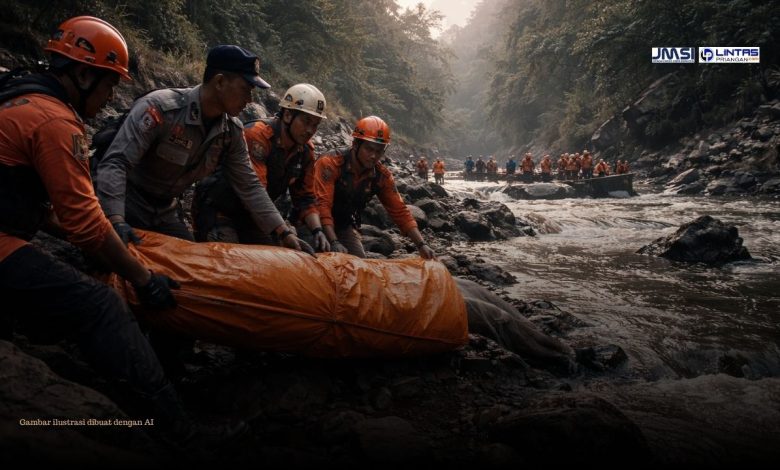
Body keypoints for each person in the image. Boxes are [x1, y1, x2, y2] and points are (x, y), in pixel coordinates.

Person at [0, 16, 242, 443]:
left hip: (14, 225)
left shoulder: (21, 96)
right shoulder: (56, 122)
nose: (113, 94)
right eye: (110, 84)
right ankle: (175, 427)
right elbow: (87, 221)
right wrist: (142, 277)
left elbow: (29, 204)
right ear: (82, 73)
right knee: (101, 304)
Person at [95, 44, 307, 252]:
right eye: (245, 89)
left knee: (191, 264)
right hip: (127, 200)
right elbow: (116, 163)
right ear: (220, 82)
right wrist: (115, 219)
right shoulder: (161, 108)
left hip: (165, 211)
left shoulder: (231, 132)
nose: (250, 100)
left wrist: (283, 232)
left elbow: (249, 185)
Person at [191, 83, 329, 251]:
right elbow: (255, 191)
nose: (310, 130)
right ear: (287, 115)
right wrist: (283, 230)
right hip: (221, 209)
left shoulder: (305, 152)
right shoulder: (258, 136)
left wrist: (317, 231)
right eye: (306, 121)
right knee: (229, 260)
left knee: (279, 259)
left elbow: (305, 197)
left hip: (254, 216)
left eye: (315, 125)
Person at [314, 116, 434, 259]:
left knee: (359, 263)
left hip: (342, 224)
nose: (373, 156)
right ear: (356, 144)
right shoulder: (330, 164)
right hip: (314, 222)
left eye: (379, 151)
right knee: (319, 256)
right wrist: (333, 242)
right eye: (369, 149)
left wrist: (421, 245)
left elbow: (400, 211)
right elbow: (322, 205)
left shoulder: (381, 175)